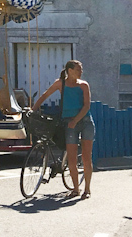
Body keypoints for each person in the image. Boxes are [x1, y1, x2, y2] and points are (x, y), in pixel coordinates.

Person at [33, 59, 94, 199]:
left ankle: (87, 189)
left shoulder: (84, 85)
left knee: (86, 157)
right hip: (69, 123)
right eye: (78, 69)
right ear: (70, 71)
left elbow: (86, 107)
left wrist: (75, 120)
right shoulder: (60, 83)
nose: (81, 72)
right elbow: (45, 95)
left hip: (85, 122)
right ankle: (76, 189)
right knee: (71, 159)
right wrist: (33, 109)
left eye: (81, 69)